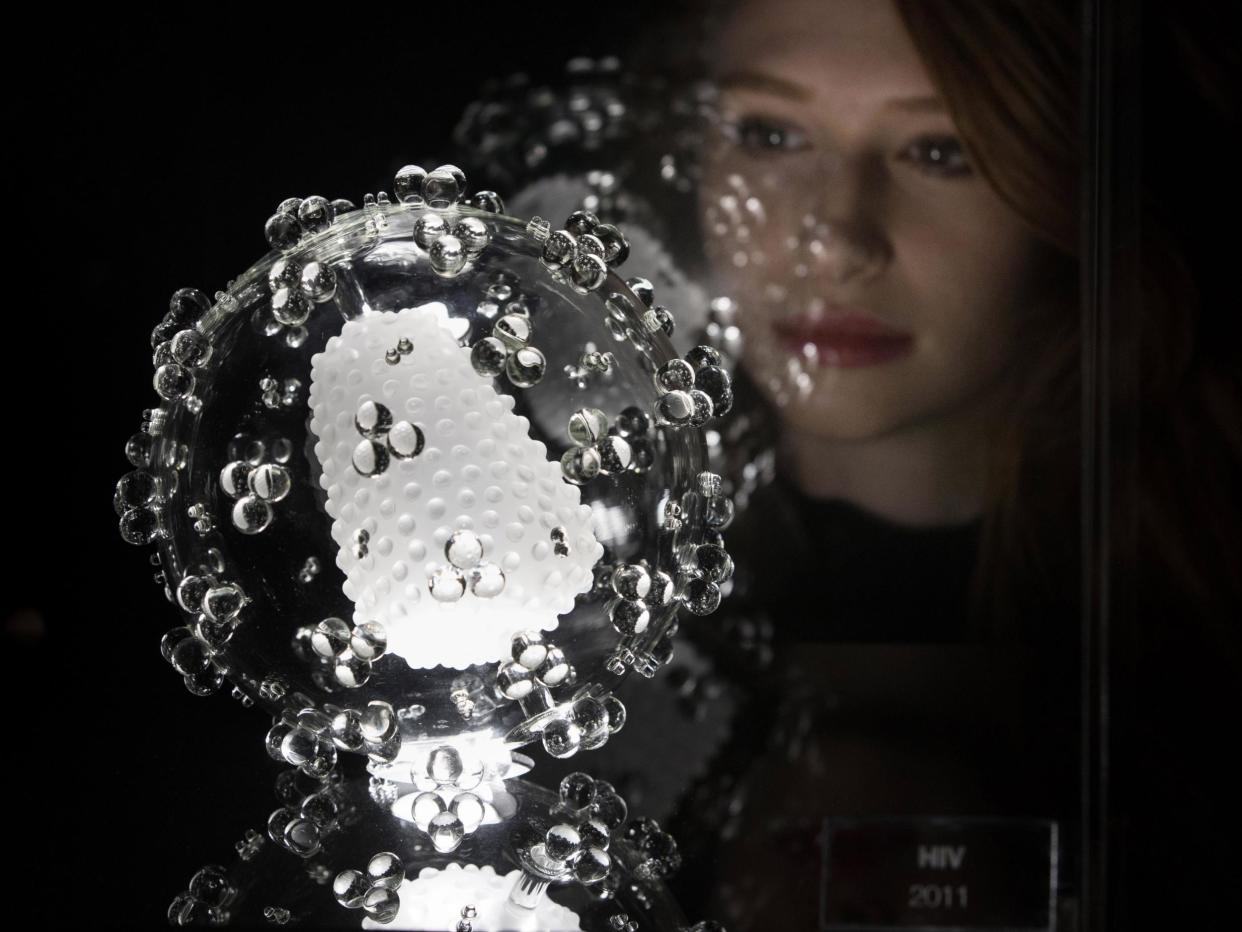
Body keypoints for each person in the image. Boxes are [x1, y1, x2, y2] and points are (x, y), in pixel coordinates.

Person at [655, 0, 1240, 927]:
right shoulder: (568, 583)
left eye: (941, 151)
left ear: (1066, 187)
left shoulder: (1198, 606)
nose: (837, 242)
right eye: (770, 133)